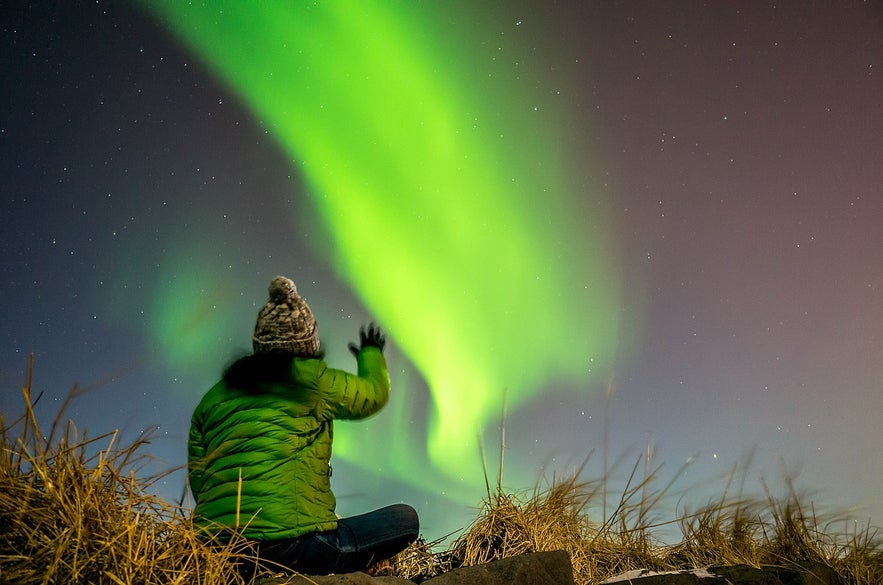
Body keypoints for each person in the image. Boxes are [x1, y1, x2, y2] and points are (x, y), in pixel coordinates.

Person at [187, 275, 419, 575]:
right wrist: (370, 353)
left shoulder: (211, 400)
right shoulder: (312, 380)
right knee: (405, 519)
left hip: (216, 550)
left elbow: (199, 481)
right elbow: (373, 394)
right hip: (292, 547)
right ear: (308, 341)